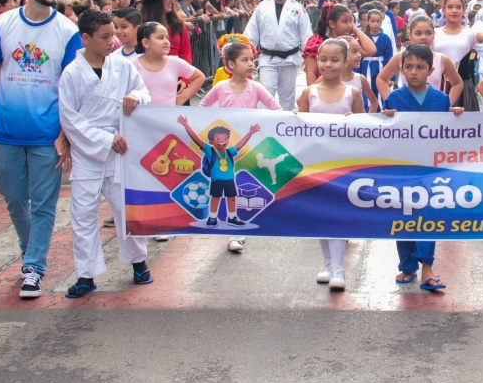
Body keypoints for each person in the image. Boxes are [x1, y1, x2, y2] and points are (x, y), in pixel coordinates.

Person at [0, 0, 83, 299]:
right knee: (14, 198)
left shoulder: (67, 31)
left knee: (44, 205)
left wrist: (65, 134)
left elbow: (71, 88)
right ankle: (29, 248)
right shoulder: (2, 25)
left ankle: (34, 267)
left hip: (48, 135)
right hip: (7, 132)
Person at [59, 10, 154, 298]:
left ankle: (139, 262)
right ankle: (86, 274)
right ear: (86, 38)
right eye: (105, 36)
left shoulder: (122, 66)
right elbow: (69, 118)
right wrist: (105, 139)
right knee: (83, 215)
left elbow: (143, 91)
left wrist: (135, 97)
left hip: (120, 147)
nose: (113, 41)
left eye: (113, 34)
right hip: (89, 149)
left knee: (125, 208)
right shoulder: (71, 73)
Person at [381, 43, 465, 292]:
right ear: (401, 69)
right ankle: (407, 266)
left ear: (431, 71)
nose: (414, 72)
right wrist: (385, 117)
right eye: (409, 67)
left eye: (420, 67)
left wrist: (456, 114)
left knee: (429, 215)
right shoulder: (394, 99)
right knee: (404, 215)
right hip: (403, 169)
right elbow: (381, 133)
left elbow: (449, 131)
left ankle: (427, 267)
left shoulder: (441, 99)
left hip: (431, 168)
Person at [200, 40, 280, 253]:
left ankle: (239, 226)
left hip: (248, 146)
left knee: (242, 187)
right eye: (244, 60)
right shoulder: (220, 88)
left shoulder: (256, 87)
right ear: (230, 64)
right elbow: (202, 107)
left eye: (252, 60)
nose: (251, 64)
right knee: (227, 188)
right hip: (225, 151)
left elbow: (275, 107)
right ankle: (232, 234)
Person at [297, 38, 363, 291]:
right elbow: (297, 129)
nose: (328, 64)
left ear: (345, 62)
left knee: (336, 214)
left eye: (335, 60)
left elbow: (365, 128)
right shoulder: (309, 93)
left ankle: (338, 267)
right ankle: (327, 263)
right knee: (320, 214)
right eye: (323, 59)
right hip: (315, 165)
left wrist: (355, 121)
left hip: (343, 165)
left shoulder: (352, 93)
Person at [244, 0, 312, 109]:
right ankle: (265, 121)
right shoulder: (263, 7)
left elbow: (306, 34)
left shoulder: (297, 8)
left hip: (290, 58)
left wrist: (308, 56)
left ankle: (286, 122)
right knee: (265, 95)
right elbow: (251, 32)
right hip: (268, 58)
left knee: (287, 97)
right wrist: (246, 53)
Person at [374, 14, 462, 106]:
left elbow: (457, 83)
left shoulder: (442, 59)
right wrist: (390, 103)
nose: (423, 37)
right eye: (418, 33)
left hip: (433, 110)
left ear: (434, 35)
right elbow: (381, 79)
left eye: (428, 33)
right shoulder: (400, 57)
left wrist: (447, 105)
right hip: (406, 109)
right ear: (410, 35)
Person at [133, 22, 205, 108]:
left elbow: (199, 77)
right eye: (160, 38)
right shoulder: (132, 65)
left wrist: (180, 99)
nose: (166, 42)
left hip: (169, 114)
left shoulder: (175, 62)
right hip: (141, 115)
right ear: (145, 43)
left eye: (167, 38)